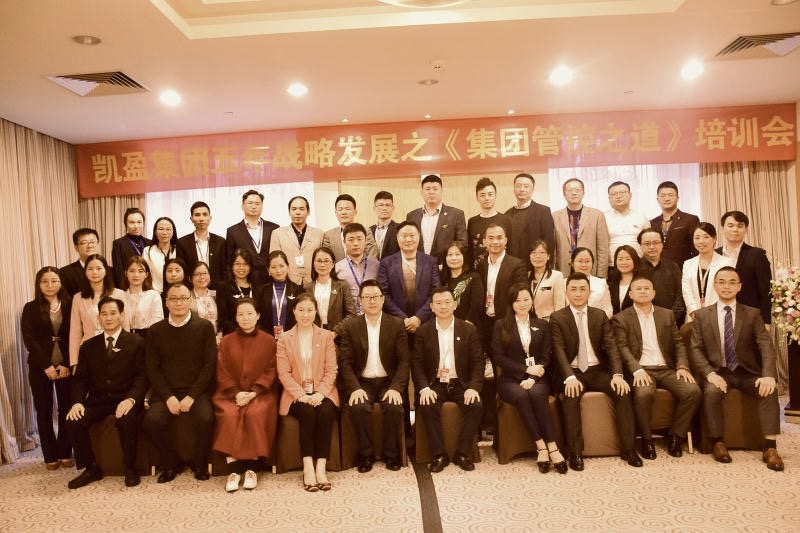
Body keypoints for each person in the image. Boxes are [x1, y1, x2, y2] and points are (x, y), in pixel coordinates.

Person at [689, 267, 783, 471]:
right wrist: (710, 374)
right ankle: (718, 442)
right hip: (718, 372)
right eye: (722, 282)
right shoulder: (702, 315)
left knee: (769, 389)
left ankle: (770, 447)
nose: (727, 286)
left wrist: (768, 375)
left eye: (732, 282)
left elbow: (765, 345)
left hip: (747, 372)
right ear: (715, 285)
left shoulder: (752, 314)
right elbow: (695, 349)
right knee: (711, 392)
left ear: (739, 287)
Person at [550, 272, 641, 470]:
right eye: (573, 289)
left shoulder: (599, 315)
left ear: (589, 292)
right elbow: (558, 351)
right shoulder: (557, 317)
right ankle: (575, 452)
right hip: (573, 372)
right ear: (566, 293)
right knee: (570, 396)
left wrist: (617, 374)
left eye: (582, 289)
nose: (578, 293)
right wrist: (569, 377)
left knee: (623, 391)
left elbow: (612, 347)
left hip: (598, 370)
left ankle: (629, 449)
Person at [612, 275, 701, 459]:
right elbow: (622, 348)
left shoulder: (666, 314)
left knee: (693, 391)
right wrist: (636, 370)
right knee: (644, 394)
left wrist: (682, 366)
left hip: (667, 369)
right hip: (641, 369)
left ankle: (676, 435)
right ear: (631, 294)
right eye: (638, 288)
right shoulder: (621, 318)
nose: (643, 291)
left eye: (647, 288)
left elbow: (678, 343)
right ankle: (647, 439)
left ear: (653, 293)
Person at [65, 296, 147, 488]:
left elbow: (142, 377)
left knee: (127, 419)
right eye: (104, 314)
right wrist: (77, 402)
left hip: (125, 398)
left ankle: (130, 468)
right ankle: (91, 468)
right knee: (73, 420)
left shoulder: (137, 342)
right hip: (98, 401)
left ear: (122, 316)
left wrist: (131, 399)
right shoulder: (88, 346)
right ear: (98, 318)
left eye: (113, 313)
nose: (108, 318)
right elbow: (80, 379)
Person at [143, 283, 217, 483]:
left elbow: (209, 366)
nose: (179, 303)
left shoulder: (204, 327)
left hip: (197, 391)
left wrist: (192, 396)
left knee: (206, 418)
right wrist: (168, 397)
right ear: (166, 302)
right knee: (152, 420)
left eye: (183, 298)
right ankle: (171, 463)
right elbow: (152, 368)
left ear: (190, 301)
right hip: (166, 392)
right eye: (173, 299)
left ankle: (199, 464)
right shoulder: (155, 331)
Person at [492, 283, 567, 474]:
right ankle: (541, 446)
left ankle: (553, 447)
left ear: (532, 301)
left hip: (538, 377)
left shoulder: (542, 324)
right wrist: (525, 369)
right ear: (511, 303)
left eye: (526, 299)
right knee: (522, 396)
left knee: (536, 394)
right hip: (510, 379)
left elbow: (546, 356)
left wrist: (532, 376)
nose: (522, 304)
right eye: (517, 300)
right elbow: (498, 357)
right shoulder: (501, 325)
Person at [337, 280, 409, 473]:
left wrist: (396, 388)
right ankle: (365, 454)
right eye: (367, 297)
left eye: (375, 297)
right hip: (363, 382)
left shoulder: (396, 325)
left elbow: (404, 361)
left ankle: (391, 454)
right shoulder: (351, 326)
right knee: (357, 407)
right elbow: (345, 363)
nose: (372, 301)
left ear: (383, 299)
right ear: (360, 301)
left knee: (394, 407)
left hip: (388, 381)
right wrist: (355, 388)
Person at [412, 287, 484, 472]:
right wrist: (424, 388)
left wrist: (473, 387)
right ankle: (439, 454)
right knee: (427, 404)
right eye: (438, 303)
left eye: (447, 302)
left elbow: (478, 362)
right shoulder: (423, 331)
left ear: (454, 305)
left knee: (475, 405)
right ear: (432, 307)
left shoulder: (468, 329)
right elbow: (417, 364)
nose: (443, 306)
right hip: (435, 383)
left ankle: (463, 453)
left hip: (461, 383)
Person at [213, 298, 279, 492]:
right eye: (241, 314)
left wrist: (253, 392)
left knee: (255, 413)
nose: (245, 318)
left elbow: (271, 370)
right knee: (229, 414)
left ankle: (252, 468)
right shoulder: (226, 341)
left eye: (250, 313)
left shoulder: (269, 341)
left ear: (258, 316)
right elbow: (222, 370)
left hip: (260, 393)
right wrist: (236, 392)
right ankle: (233, 469)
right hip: (230, 393)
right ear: (235, 317)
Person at [276, 293, 339, 491]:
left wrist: (320, 393)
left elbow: (332, 370)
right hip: (295, 394)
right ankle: (308, 468)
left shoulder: (326, 336)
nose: (305, 314)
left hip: (324, 391)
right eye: (301, 310)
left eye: (309, 310)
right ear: (294, 312)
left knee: (325, 412)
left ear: (316, 312)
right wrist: (301, 395)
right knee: (308, 413)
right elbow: (283, 373)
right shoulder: (284, 339)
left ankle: (321, 468)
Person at [21, 267, 73, 470]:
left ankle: (65, 451)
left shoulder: (70, 304)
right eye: (45, 282)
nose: (50, 285)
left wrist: (66, 362)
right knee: (44, 410)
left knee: (66, 409)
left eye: (54, 281)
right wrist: (46, 365)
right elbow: (29, 339)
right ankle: (50, 456)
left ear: (60, 283)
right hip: (40, 367)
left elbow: (76, 334)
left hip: (66, 365)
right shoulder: (30, 308)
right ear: (39, 284)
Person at [378, 221, 440, 336]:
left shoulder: (430, 261)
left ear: (419, 237)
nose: (408, 239)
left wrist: (419, 317)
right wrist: (403, 318)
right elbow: (383, 294)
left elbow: (436, 293)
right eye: (404, 236)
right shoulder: (386, 263)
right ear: (397, 237)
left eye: (412, 235)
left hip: (425, 322)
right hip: (396, 323)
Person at [68, 254, 126, 368]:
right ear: (85, 272)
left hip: (115, 349)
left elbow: (125, 325)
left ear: (106, 270)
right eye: (90, 269)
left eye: (99, 268)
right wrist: (75, 362)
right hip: (89, 351)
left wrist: (126, 353)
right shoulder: (78, 298)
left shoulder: (118, 294)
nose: (95, 272)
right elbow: (75, 332)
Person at [717, 210, 772, 325]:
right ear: (722, 229)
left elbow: (766, 290)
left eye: (740, 226)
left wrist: (766, 321)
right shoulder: (714, 254)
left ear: (746, 230)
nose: (735, 229)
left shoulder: (757, 254)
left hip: (749, 317)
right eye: (730, 225)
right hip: (718, 316)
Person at [476, 223, 528, 345]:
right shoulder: (481, 266)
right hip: (485, 321)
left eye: (499, 238)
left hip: (508, 322)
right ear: (484, 242)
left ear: (506, 240)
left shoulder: (517, 265)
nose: (495, 242)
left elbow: (521, 295)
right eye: (491, 238)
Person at [406, 175, 467, 267]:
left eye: (435, 189)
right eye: (427, 189)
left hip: (445, 268)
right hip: (418, 267)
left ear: (441, 191)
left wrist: (449, 261)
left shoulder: (456, 214)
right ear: (421, 192)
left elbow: (462, 243)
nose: (431, 192)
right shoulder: (412, 216)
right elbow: (408, 242)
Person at [553, 178, 610, 278]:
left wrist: (601, 275)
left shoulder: (597, 215)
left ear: (583, 193)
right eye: (570, 190)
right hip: (564, 270)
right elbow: (553, 248)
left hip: (589, 268)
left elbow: (603, 248)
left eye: (577, 190)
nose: (574, 193)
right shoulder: (555, 216)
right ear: (564, 194)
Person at [681, 223, 734, 322]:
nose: (701, 241)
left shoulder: (726, 263)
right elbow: (686, 291)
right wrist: (693, 311)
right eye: (697, 238)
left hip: (718, 315)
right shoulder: (688, 264)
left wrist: (711, 313)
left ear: (714, 238)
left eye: (706, 237)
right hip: (694, 317)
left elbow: (727, 289)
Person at [226, 189, 279, 285]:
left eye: (257, 203)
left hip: (270, 279)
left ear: (262, 206)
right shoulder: (232, 231)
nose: (254, 206)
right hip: (245, 281)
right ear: (242, 206)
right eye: (250, 203)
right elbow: (230, 260)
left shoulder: (274, 228)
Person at [269, 195, 324, 285]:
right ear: (289, 212)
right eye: (294, 209)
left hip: (313, 283)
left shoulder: (319, 234)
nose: (297, 212)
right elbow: (274, 262)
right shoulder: (277, 233)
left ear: (308, 211)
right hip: (287, 283)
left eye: (301, 209)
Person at [637, 228, 686, 325]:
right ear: (640, 246)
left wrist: (671, 317)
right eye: (647, 243)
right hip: (641, 321)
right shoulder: (635, 267)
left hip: (671, 321)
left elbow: (680, 294)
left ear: (662, 244)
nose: (652, 247)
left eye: (655, 243)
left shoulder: (673, 266)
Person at [304, 246, 356, 334]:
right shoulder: (307, 288)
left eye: (326, 261)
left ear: (333, 264)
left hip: (338, 336)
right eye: (319, 261)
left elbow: (352, 314)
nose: (322, 264)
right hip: (314, 334)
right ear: (313, 263)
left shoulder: (342, 285)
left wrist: (335, 332)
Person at [176, 201, 227, 290]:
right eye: (197, 215)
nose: (201, 218)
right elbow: (182, 270)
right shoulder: (182, 243)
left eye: (205, 214)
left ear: (210, 218)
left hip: (217, 289)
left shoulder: (221, 242)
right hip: (192, 290)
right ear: (191, 219)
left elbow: (225, 269)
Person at [505, 172, 555, 262]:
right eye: (518, 186)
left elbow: (549, 242)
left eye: (526, 186)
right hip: (513, 264)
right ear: (514, 189)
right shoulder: (507, 214)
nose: (522, 189)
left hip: (535, 264)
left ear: (532, 189)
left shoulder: (543, 211)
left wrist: (548, 264)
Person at [334, 223, 380, 316]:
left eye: (359, 239)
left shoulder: (377, 266)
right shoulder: (337, 268)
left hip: (373, 316)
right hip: (347, 317)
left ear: (366, 241)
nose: (355, 243)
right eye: (351, 240)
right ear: (344, 242)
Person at [650, 181, 700, 266]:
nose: (667, 199)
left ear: (677, 198)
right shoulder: (652, 223)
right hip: (658, 269)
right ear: (657, 199)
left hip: (683, 268)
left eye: (671, 195)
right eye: (663, 196)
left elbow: (696, 249)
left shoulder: (690, 220)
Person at [467, 177, 512, 269]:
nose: (486, 198)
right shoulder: (472, 221)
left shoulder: (506, 220)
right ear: (477, 198)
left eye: (490, 194)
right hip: (477, 270)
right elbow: (470, 250)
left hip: (501, 269)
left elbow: (511, 248)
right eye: (482, 195)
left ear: (495, 196)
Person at [259, 250, 304, 340]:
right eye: (273, 267)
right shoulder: (262, 291)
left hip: (293, 338)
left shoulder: (298, 290)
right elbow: (259, 318)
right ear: (268, 270)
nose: (278, 270)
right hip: (267, 338)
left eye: (281, 266)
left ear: (288, 267)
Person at [321, 194, 378, 262]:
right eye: (340, 209)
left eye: (347, 209)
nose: (344, 212)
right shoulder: (329, 235)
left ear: (355, 212)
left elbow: (372, 256)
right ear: (336, 213)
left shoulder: (366, 231)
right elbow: (326, 259)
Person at [440, 241, 484, 328]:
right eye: (450, 255)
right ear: (445, 258)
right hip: (444, 326)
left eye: (457, 254)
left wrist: (466, 325)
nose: (454, 258)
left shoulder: (473, 277)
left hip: (467, 326)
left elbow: (477, 304)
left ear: (464, 257)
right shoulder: (441, 279)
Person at [218, 249, 261, 335]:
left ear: (250, 266)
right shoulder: (223, 287)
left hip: (256, 334)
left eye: (245, 264)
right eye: (237, 264)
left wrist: (253, 332)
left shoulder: (258, 287)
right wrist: (241, 333)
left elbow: (262, 314)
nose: (241, 268)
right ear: (231, 266)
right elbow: (223, 318)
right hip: (233, 334)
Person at [604, 181, 650, 261]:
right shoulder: (603, 217)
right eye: (614, 194)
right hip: (612, 264)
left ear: (630, 195)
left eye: (622, 192)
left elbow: (649, 241)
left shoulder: (641, 216)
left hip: (639, 262)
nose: (618, 196)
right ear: (609, 198)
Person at [121, 256, 163, 337]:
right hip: (124, 337)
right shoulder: (120, 295)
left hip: (147, 337)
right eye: (132, 271)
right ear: (126, 273)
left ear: (146, 274)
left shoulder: (153, 295)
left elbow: (157, 323)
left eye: (140, 271)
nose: (136, 275)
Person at [111, 207, 152, 287]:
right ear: (126, 224)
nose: (136, 226)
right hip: (128, 287)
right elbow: (118, 271)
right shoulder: (118, 244)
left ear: (143, 223)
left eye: (139, 222)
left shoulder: (150, 243)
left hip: (149, 286)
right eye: (132, 222)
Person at [527, 239, 565, 321]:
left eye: (542, 252)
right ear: (529, 256)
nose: (537, 256)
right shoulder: (526, 276)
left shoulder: (557, 276)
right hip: (529, 322)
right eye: (534, 253)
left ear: (548, 256)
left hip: (548, 322)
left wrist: (557, 324)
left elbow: (560, 305)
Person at [570, 247, 613, 318]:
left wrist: (599, 321)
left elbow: (608, 308)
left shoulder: (601, 283)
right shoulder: (564, 283)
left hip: (598, 322)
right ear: (572, 263)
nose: (584, 265)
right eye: (580, 261)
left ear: (592, 263)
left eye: (587, 261)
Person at [142, 216, 178, 293]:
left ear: (173, 231)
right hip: (155, 293)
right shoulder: (148, 251)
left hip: (177, 293)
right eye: (161, 229)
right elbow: (145, 274)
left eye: (168, 229)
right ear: (155, 232)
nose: (164, 233)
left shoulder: (178, 249)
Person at [189, 261, 222, 345]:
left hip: (218, 340)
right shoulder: (187, 297)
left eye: (205, 273)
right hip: (196, 341)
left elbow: (223, 318)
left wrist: (220, 335)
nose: (202, 277)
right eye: (198, 274)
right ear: (191, 278)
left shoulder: (217, 295)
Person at [61, 228, 101, 296]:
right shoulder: (64, 273)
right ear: (76, 248)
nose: (90, 246)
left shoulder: (110, 271)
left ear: (98, 245)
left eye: (92, 242)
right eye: (84, 243)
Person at [607, 245, 641, 315]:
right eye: (620, 259)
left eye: (628, 259)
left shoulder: (642, 281)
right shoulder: (611, 283)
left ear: (634, 260)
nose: (624, 262)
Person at [370, 191, 399, 259]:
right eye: (381, 205)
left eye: (388, 205)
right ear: (374, 208)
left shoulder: (399, 229)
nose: (384, 208)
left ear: (393, 208)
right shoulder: (369, 230)